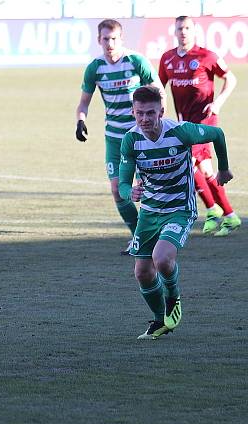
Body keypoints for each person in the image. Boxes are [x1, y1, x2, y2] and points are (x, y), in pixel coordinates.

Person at [118, 86, 233, 340]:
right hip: (149, 211)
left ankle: (174, 298)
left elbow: (217, 133)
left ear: (162, 111)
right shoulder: (131, 140)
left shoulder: (181, 132)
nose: (145, 119)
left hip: (179, 208)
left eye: (150, 113)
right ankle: (161, 321)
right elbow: (124, 183)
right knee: (142, 272)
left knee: (161, 259)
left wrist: (223, 168)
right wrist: (130, 193)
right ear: (133, 112)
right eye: (139, 114)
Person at [75, 19, 166, 254]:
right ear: (99, 40)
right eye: (105, 39)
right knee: (118, 189)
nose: (110, 43)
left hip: (142, 136)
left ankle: (160, 233)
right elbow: (83, 103)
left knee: (149, 187)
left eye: (114, 39)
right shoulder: (95, 68)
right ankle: (138, 237)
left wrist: (158, 121)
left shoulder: (136, 61)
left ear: (121, 39)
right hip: (115, 139)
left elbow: (159, 92)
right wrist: (80, 120)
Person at [158, 15, 240, 237]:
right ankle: (229, 215)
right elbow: (159, 87)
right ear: (174, 32)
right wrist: (159, 107)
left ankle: (213, 210)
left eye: (187, 28)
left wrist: (218, 103)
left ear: (194, 31)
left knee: (186, 161)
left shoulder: (206, 56)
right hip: (185, 123)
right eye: (179, 28)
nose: (183, 32)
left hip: (205, 121)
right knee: (205, 171)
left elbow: (231, 79)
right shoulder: (167, 59)